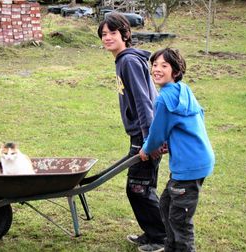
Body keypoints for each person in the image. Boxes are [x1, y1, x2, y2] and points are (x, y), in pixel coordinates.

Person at [97, 12, 166, 252]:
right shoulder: (124, 60)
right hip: (142, 134)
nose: (107, 38)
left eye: (112, 33)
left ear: (125, 34)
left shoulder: (127, 61)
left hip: (145, 135)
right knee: (140, 187)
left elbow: (143, 102)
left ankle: (161, 239)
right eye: (104, 34)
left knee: (139, 188)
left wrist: (150, 140)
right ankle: (153, 233)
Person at [139, 48, 215, 252]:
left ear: (175, 71)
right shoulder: (183, 89)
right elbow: (197, 115)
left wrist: (147, 149)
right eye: (155, 64)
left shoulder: (164, 99)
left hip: (188, 165)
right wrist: (173, 140)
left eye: (164, 65)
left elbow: (156, 133)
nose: (157, 69)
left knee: (180, 219)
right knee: (165, 206)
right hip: (198, 158)